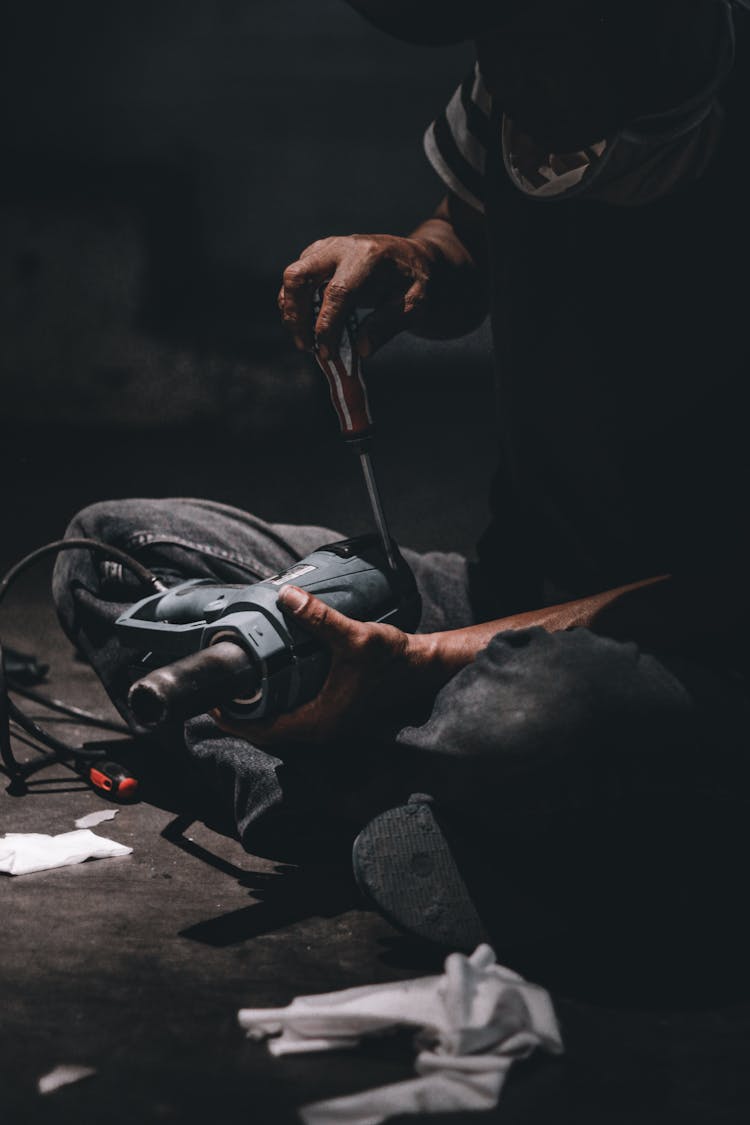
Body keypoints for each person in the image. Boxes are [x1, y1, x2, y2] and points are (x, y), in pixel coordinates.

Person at [53, 0, 750, 977]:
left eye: (533, 47)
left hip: (689, 653)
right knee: (109, 553)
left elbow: (724, 596)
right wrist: (418, 260)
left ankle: (392, 772)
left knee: (520, 722)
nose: (501, 79)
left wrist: (422, 661)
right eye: (488, 47)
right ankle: (406, 804)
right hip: (506, 597)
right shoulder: (520, 95)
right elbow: (470, 232)